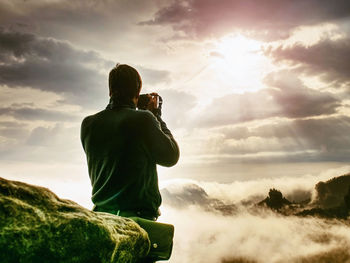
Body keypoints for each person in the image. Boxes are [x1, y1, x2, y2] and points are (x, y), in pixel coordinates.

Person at [80, 63, 179, 222]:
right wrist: (156, 116)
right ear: (138, 91)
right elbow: (171, 156)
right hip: (137, 219)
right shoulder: (143, 119)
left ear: (110, 90)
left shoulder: (88, 124)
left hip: (101, 216)